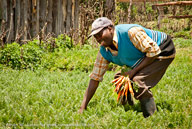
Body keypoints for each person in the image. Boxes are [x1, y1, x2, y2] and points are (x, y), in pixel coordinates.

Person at [79, 17, 176, 118]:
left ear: (110, 29)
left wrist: (133, 72)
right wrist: (83, 107)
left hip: (163, 49)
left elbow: (153, 51)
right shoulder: (104, 51)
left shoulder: (130, 32)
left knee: (137, 81)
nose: (98, 39)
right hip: (144, 55)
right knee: (119, 78)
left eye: (100, 34)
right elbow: (95, 78)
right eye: (96, 37)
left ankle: (151, 117)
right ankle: (128, 108)